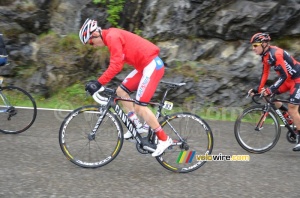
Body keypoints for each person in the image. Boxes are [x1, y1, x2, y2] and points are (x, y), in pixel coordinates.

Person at [79, 18, 173, 157]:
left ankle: (164, 140)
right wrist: (99, 82)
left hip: (152, 65)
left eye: (91, 43)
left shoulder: (112, 37)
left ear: (95, 35)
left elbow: (116, 66)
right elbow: (118, 63)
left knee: (140, 106)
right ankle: (137, 126)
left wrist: (98, 83)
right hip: (144, 67)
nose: (93, 46)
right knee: (121, 91)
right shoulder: (111, 36)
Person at [248, 32, 300, 151]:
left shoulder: (275, 54)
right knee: (268, 95)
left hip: (297, 79)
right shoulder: (265, 56)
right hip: (288, 80)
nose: (253, 48)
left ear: (265, 44)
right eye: (252, 46)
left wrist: (270, 89)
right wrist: (258, 89)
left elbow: (283, 75)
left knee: (292, 107)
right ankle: (289, 117)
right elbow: (265, 73)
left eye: (255, 45)